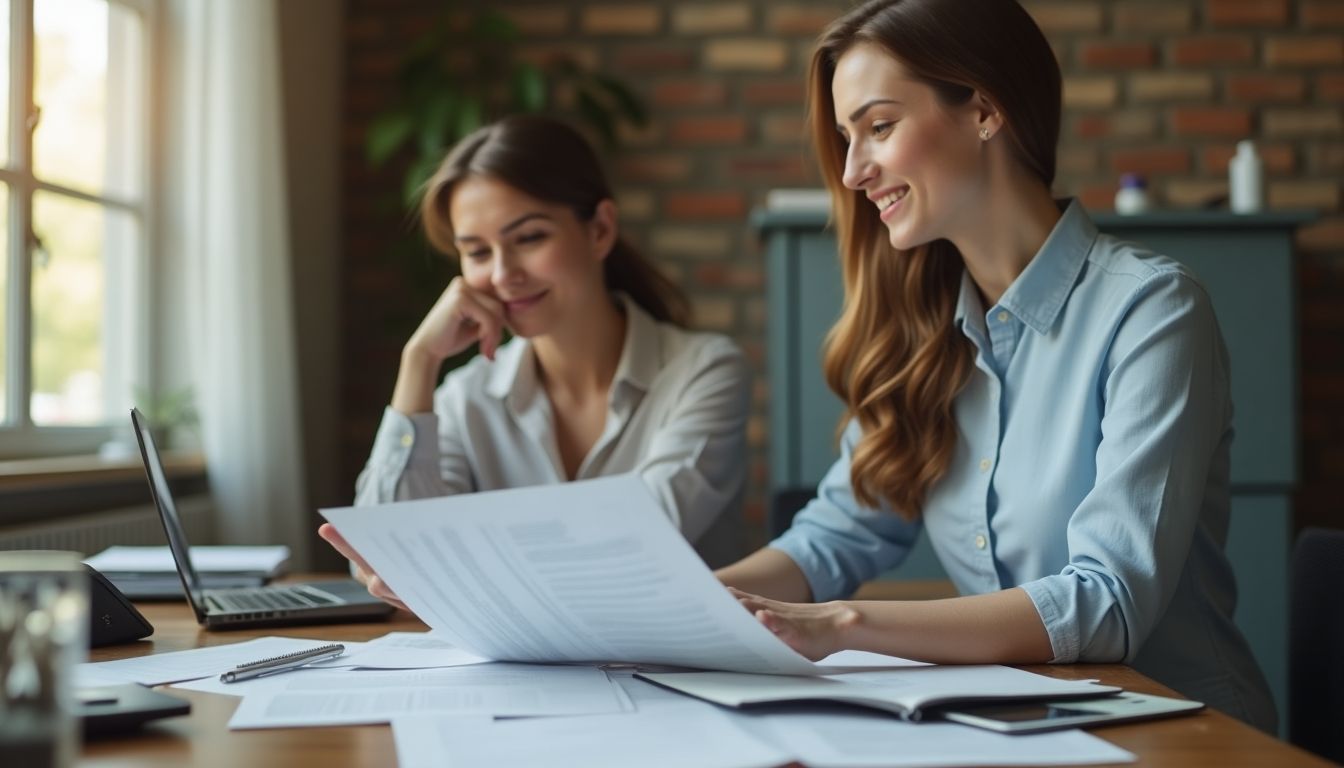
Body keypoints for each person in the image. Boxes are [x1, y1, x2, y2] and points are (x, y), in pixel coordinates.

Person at [716, 0, 1276, 732]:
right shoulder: (921, 334)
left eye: (878, 127)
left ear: (983, 110)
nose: (853, 171)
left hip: (1181, 736)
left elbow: (1106, 602)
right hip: (1019, 728)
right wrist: (676, 602)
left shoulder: (1152, 312)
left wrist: (846, 624)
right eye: (847, 139)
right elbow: (834, 536)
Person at [321, 115, 751, 608]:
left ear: (600, 230)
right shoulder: (467, 397)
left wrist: (458, 567)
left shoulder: (704, 371)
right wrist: (418, 363)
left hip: (680, 670)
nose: (503, 275)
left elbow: (637, 544)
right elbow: (382, 559)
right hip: (518, 675)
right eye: (478, 251)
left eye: (529, 238)